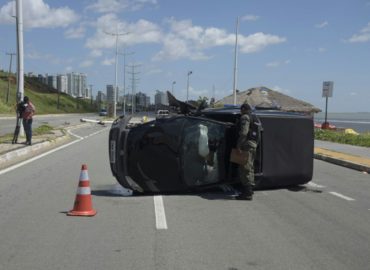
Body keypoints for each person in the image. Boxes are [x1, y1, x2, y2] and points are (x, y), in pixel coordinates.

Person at [236, 102, 258, 200]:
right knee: (250, 167)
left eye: (241, 110)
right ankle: (250, 190)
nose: (240, 112)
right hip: (253, 145)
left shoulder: (245, 117)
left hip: (247, 145)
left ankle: (247, 193)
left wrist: (239, 145)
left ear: (243, 109)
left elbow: (244, 133)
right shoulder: (254, 117)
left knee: (245, 168)